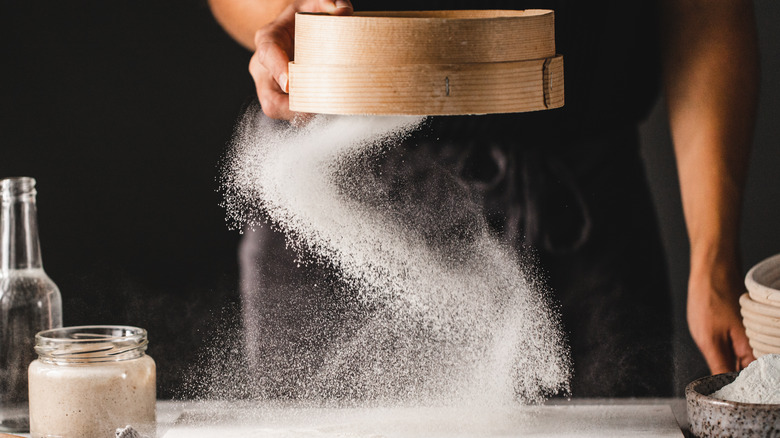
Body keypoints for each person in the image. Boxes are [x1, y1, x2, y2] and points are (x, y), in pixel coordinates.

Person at [208, 0, 759, 396]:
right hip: (342, 200)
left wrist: (714, 256)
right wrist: (286, 9)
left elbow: (707, 8)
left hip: (576, 200)